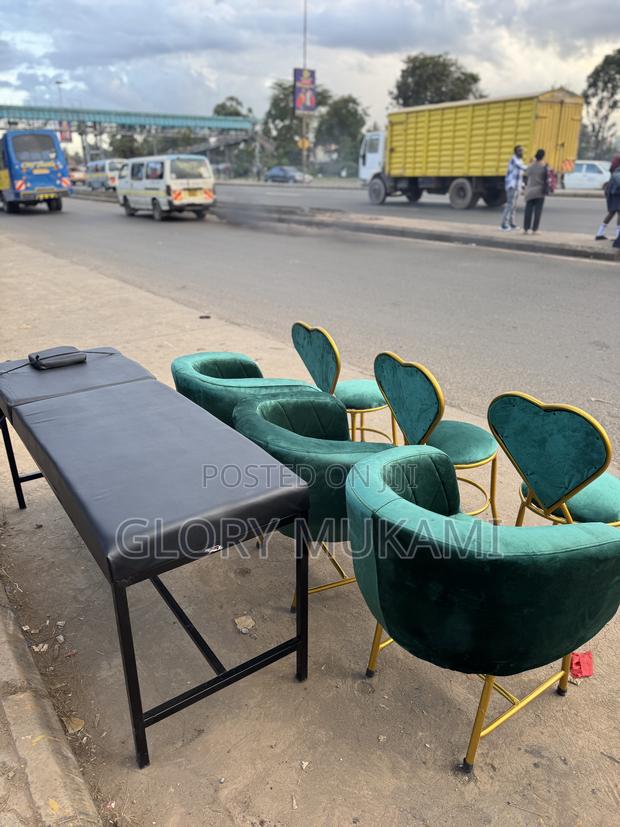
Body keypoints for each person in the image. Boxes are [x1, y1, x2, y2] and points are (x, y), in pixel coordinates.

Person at [595, 155, 620, 247]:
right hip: (616, 193)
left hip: (613, 192)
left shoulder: (614, 168)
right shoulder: (617, 170)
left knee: (612, 212)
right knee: (619, 212)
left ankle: (599, 233)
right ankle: (618, 236)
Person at [500, 145, 526, 231]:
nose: (521, 152)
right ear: (515, 152)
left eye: (522, 150)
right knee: (510, 205)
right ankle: (504, 224)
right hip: (511, 185)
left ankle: (512, 224)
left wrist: (522, 185)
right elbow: (522, 167)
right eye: (519, 151)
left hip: (517, 186)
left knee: (514, 206)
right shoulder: (514, 159)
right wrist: (534, 166)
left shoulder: (520, 160)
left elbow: (520, 174)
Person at [522, 149, 548, 234]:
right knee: (538, 211)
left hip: (530, 191)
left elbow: (526, 173)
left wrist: (531, 163)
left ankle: (526, 229)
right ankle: (534, 230)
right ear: (543, 156)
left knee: (528, 211)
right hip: (540, 191)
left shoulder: (531, 166)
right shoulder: (544, 166)